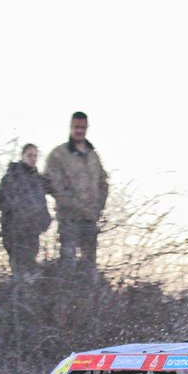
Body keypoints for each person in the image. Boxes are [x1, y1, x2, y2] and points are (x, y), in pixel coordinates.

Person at [44, 111, 108, 273]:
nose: (79, 131)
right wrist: (75, 205)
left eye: (82, 127)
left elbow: (103, 182)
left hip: (90, 220)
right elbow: (52, 185)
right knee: (68, 262)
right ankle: (65, 296)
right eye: (76, 127)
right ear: (70, 127)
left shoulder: (93, 156)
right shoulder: (58, 155)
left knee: (89, 265)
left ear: (87, 128)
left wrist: (98, 207)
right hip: (68, 218)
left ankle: (88, 297)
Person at [0, 144, 53, 279]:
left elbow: (50, 191)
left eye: (35, 156)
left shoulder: (37, 179)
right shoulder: (12, 176)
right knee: (20, 271)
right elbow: (1, 200)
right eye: (29, 155)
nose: (33, 159)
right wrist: (15, 216)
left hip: (32, 231)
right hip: (15, 232)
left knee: (31, 270)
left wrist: (44, 221)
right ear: (22, 156)